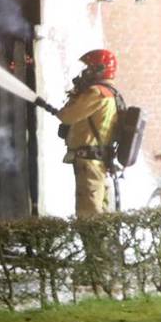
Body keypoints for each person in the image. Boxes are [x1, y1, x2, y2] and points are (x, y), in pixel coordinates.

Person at [56, 49, 120, 216]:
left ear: (100, 69)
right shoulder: (110, 92)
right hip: (99, 161)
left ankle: (91, 235)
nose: (85, 72)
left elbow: (67, 116)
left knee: (88, 214)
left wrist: (75, 95)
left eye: (89, 68)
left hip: (89, 162)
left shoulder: (96, 93)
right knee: (100, 211)